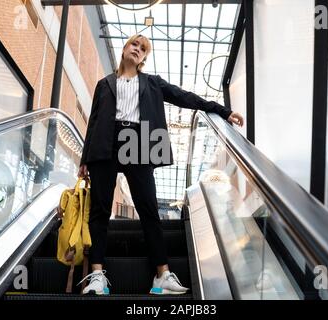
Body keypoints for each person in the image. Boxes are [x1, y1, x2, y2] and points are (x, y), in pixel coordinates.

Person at [77, 34, 244, 295]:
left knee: (149, 210)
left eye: (143, 49)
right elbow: (94, 120)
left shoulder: (153, 83)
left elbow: (185, 97)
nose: (137, 50)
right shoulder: (103, 84)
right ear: (124, 48)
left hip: (139, 142)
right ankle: (97, 276)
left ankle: (162, 275)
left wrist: (222, 110)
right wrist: (84, 159)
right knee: (99, 211)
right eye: (134, 44)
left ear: (144, 58)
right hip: (104, 145)